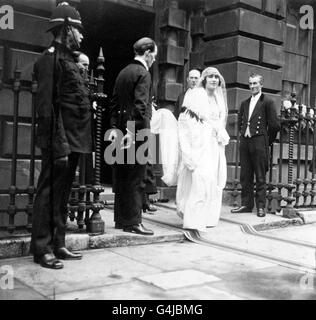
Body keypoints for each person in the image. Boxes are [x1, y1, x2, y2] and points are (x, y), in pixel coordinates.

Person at [30, 2, 92, 269]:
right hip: (60, 139)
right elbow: (47, 108)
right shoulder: (49, 59)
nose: (81, 36)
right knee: (48, 193)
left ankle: (59, 243)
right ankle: (41, 249)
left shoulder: (69, 59)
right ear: (66, 29)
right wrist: (60, 145)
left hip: (74, 139)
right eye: (78, 30)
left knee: (63, 193)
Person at [109, 37, 158, 235]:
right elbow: (140, 106)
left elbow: (113, 103)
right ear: (147, 53)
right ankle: (134, 222)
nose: (154, 59)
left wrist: (114, 129)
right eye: (153, 55)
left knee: (122, 176)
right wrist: (132, 131)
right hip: (136, 131)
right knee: (137, 177)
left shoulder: (123, 72)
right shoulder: (143, 73)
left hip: (119, 130)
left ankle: (121, 220)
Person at [176, 67, 230, 231]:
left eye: (216, 77)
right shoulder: (197, 95)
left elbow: (220, 121)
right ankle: (193, 220)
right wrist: (189, 149)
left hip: (215, 145)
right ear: (204, 79)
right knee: (200, 180)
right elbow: (185, 122)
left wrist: (220, 132)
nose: (214, 79)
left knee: (213, 181)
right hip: (199, 144)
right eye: (210, 77)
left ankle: (208, 217)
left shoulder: (219, 98)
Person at [231, 73, 280, 217]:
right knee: (245, 175)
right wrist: (243, 135)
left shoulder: (267, 102)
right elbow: (240, 122)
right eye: (250, 83)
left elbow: (274, 125)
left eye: (255, 83)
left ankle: (260, 207)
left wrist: (266, 141)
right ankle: (246, 204)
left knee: (260, 175)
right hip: (245, 142)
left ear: (261, 85)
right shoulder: (245, 103)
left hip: (259, 141)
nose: (252, 86)